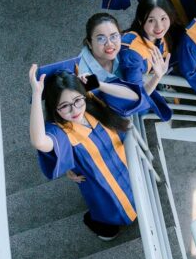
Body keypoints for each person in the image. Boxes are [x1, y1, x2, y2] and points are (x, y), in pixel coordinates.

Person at [28, 66, 137, 241]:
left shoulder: (95, 102)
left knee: (137, 198)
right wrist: (36, 94)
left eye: (78, 100)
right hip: (99, 186)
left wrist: (96, 83)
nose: (75, 110)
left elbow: (134, 96)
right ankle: (97, 222)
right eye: (64, 106)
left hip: (129, 168)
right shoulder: (61, 130)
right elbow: (39, 141)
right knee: (107, 217)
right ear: (54, 108)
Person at [119, 0, 176, 95]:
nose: (159, 27)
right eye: (151, 20)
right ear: (140, 21)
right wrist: (157, 77)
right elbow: (136, 95)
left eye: (163, 18)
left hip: (150, 76)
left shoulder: (158, 36)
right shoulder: (132, 52)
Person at [77, 12, 123, 83]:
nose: (109, 44)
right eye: (101, 39)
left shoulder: (127, 49)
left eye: (114, 36)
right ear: (89, 43)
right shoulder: (81, 72)